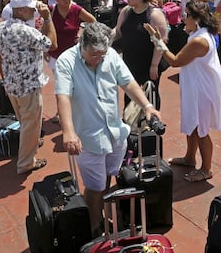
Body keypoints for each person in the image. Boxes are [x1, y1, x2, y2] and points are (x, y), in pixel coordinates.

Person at [56, 22, 163, 235]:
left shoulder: (110, 55)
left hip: (115, 132)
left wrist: (147, 105)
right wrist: (68, 131)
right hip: (89, 137)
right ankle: (94, 228)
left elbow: (128, 83)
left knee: (105, 178)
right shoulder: (66, 62)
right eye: (95, 55)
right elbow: (63, 97)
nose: (100, 59)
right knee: (95, 187)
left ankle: (98, 217)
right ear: (82, 45)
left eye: (102, 54)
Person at [145, 0, 221, 182]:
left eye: (187, 15)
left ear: (196, 19)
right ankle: (190, 158)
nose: (183, 18)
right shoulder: (198, 34)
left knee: (201, 130)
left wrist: (157, 41)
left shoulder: (199, 40)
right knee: (192, 124)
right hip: (195, 85)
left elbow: (175, 61)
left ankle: (206, 169)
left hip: (202, 90)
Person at [0, 0, 57, 174]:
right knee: (31, 124)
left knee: (25, 121)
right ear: (20, 11)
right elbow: (51, 44)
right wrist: (48, 19)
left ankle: (32, 143)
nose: (34, 11)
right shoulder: (25, 31)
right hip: (28, 85)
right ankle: (26, 163)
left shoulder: (0, 28)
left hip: (12, 82)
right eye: (31, 9)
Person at [113, 0, 168, 108]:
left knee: (150, 94)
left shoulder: (154, 14)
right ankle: (130, 122)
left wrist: (154, 65)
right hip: (129, 62)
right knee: (129, 94)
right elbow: (117, 31)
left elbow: (161, 41)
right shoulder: (126, 11)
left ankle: (152, 122)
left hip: (148, 63)